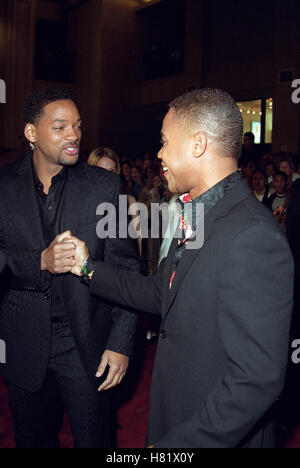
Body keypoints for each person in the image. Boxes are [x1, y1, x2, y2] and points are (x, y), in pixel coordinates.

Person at [68, 88, 293, 448]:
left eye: (165, 142)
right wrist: (87, 268)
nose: (159, 154)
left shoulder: (254, 236)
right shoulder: (200, 213)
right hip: (177, 412)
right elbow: (161, 293)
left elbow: (256, 379)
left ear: (198, 144)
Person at [0, 87, 140, 448]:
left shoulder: (104, 186)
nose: (74, 135)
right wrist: (39, 262)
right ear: (32, 133)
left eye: (77, 126)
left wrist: (121, 343)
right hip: (23, 343)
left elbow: (126, 268)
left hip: (85, 344)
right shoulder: (3, 187)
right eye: (60, 127)